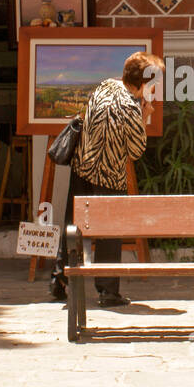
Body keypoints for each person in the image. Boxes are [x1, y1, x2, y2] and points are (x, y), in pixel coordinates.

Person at [50, 51, 164, 308]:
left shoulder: (104, 86)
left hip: (81, 169)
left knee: (73, 227)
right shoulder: (131, 109)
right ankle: (108, 292)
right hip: (109, 177)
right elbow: (135, 152)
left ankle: (60, 280)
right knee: (109, 236)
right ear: (144, 82)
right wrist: (144, 117)